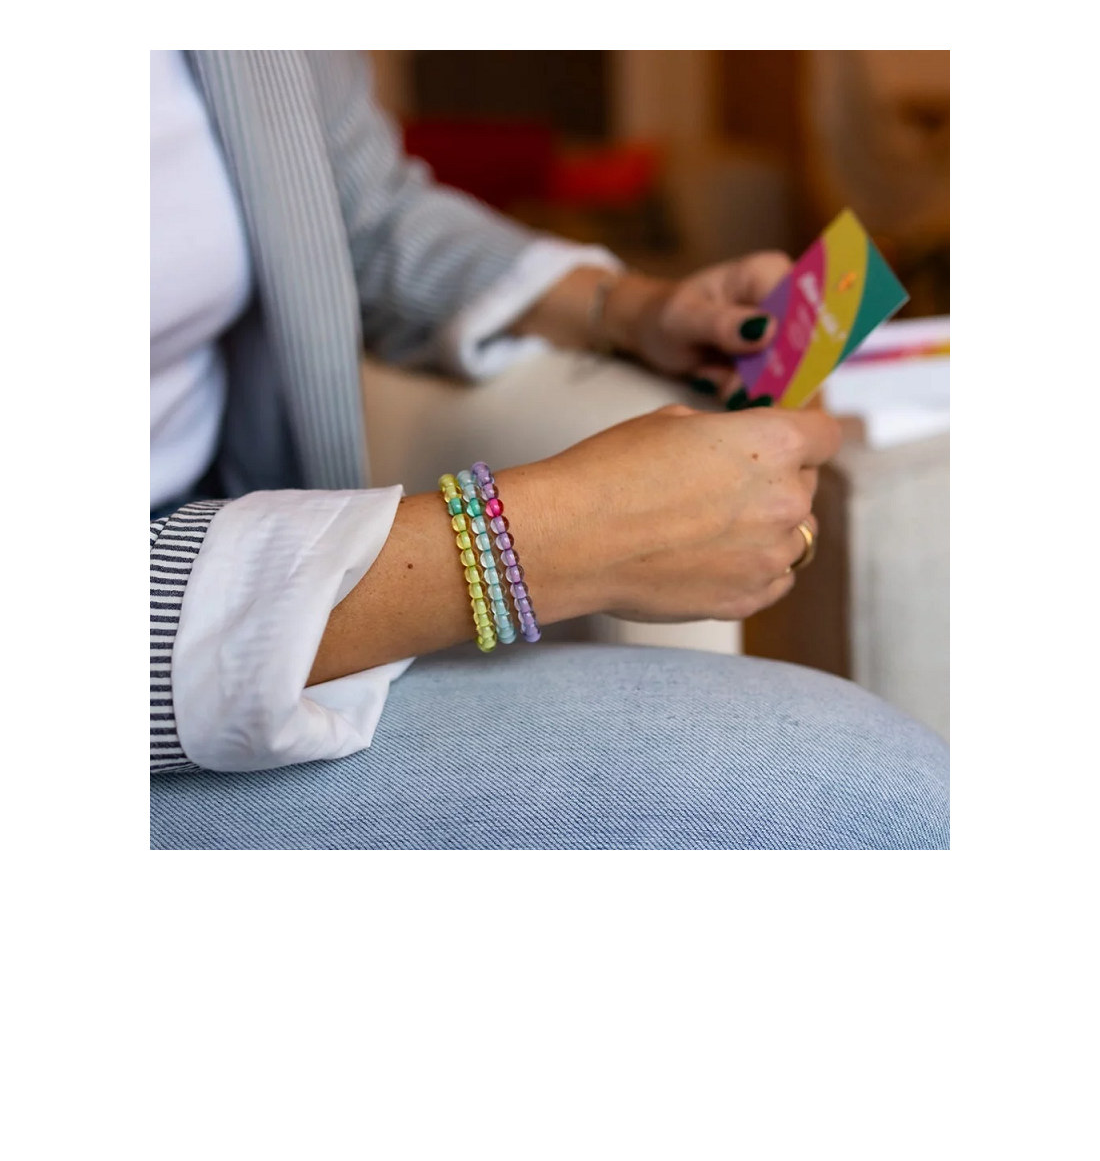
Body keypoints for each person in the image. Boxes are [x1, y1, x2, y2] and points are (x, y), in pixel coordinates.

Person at [150, 50, 949, 850]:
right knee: (882, 803)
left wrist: (627, 308)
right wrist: (562, 539)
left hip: (237, 530)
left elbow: (368, 215)